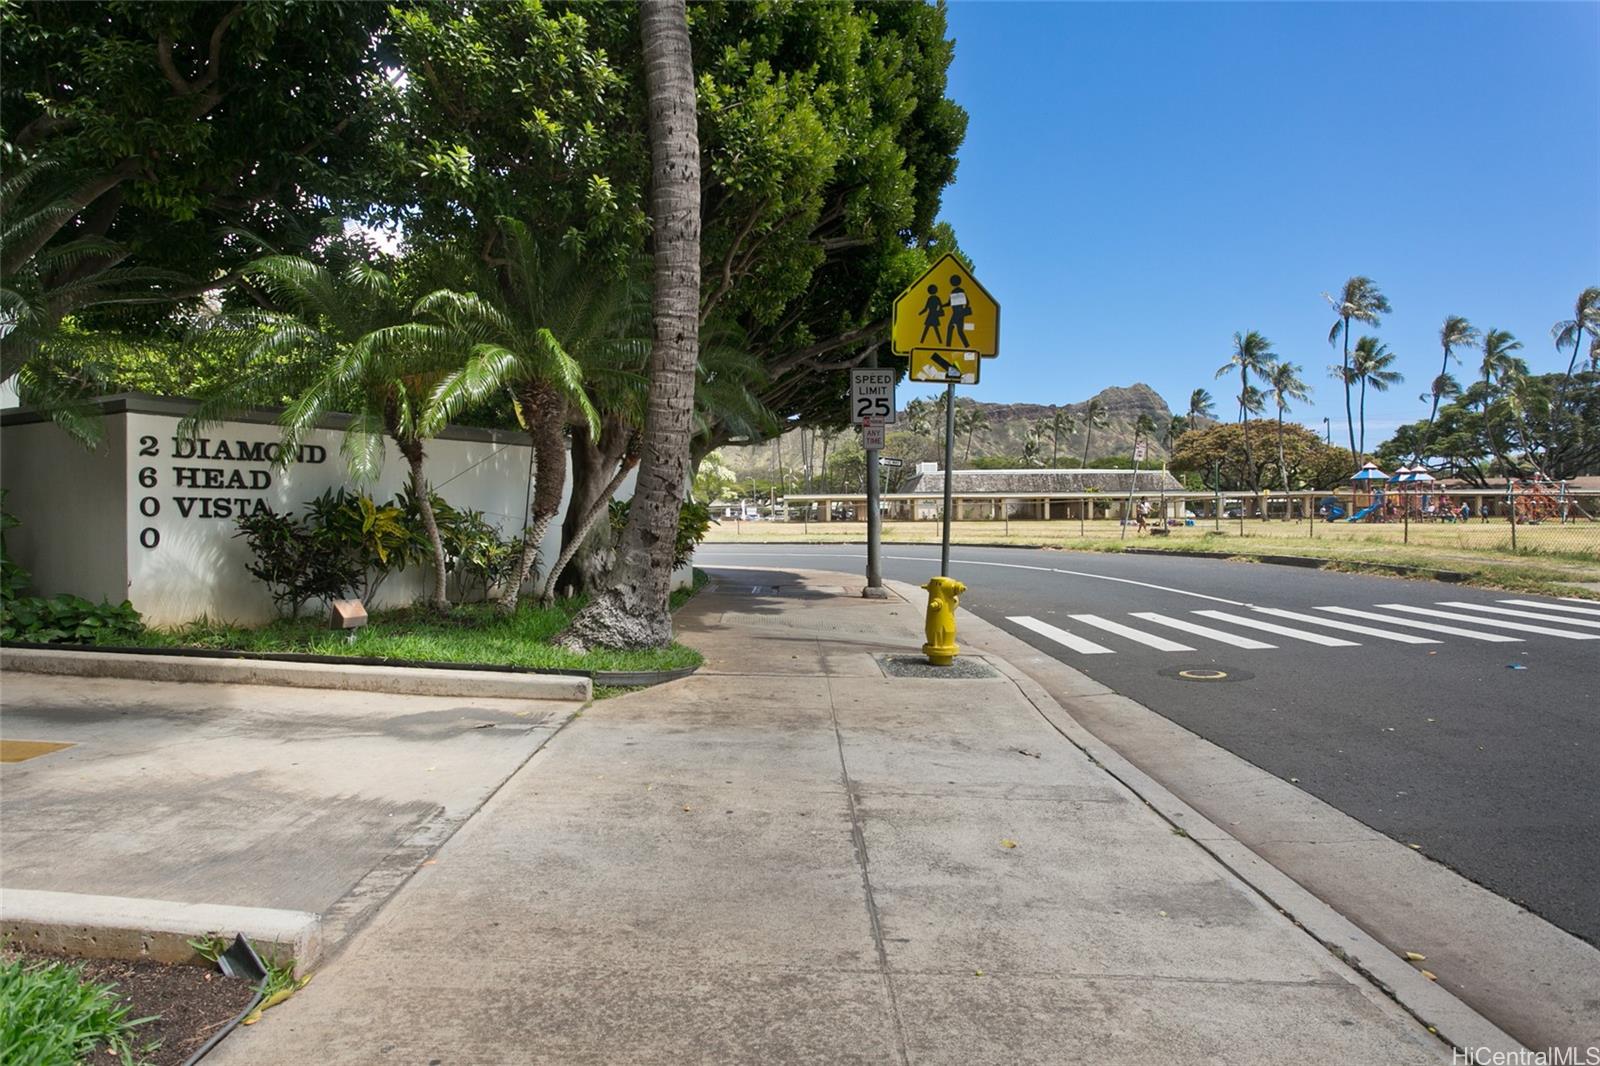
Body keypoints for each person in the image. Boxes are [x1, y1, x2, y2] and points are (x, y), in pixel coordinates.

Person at [944, 274, 971, 347]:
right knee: (958, 330)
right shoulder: (955, 291)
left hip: (957, 313)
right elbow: (950, 303)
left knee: (951, 328)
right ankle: (966, 346)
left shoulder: (957, 291)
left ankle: (948, 346)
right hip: (957, 313)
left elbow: (949, 303)